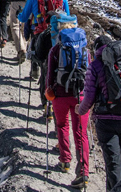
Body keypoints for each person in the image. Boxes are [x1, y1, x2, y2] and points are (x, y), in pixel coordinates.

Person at [75, 35, 121, 191]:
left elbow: (89, 97)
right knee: (113, 161)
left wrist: (80, 110)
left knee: (113, 164)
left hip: (106, 120)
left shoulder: (96, 65)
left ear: (96, 49)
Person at [45, 24, 90, 190]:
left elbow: (50, 74)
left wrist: (49, 91)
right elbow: (90, 74)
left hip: (60, 94)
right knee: (81, 133)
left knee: (62, 125)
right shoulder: (85, 51)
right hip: (81, 96)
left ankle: (65, 161)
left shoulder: (56, 50)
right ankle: (84, 172)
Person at [18, 0, 69, 106]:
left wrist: (19, 16)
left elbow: (24, 17)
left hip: (40, 33)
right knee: (56, 68)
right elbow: (67, 17)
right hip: (58, 35)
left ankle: (46, 104)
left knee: (44, 69)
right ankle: (54, 101)